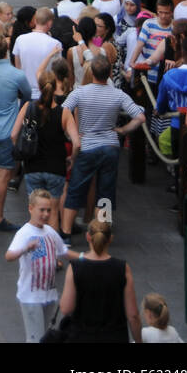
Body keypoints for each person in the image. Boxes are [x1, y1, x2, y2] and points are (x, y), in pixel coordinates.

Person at [60, 56, 146, 238]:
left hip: (87, 146)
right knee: (106, 192)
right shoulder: (118, 94)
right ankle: (102, 232)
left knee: (75, 189)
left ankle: (66, 233)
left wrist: (73, 134)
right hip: (110, 146)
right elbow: (140, 117)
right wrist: (122, 130)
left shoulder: (79, 92)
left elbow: (64, 111)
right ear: (108, 74)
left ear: (91, 73)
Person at [5, 189, 76, 343]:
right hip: (31, 296)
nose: (45, 214)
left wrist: (86, 258)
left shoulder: (49, 231)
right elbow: (9, 256)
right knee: (35, 339)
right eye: (41, 210)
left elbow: (63, 251)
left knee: (45, 337)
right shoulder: (24, 233)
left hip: (48, 294)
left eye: (48, 210)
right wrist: (25, 249)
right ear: (31, 208)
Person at [0, 32, 32, 233]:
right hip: (8, 129)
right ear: (7, 51)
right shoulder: (16, 75)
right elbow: (27, 95)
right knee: (3, 174)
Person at [58, 219, 142, 343]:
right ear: (110, 239)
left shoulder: (75, 267)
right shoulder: (122, 268)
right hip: (115, 336)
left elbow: (66, 308)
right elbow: (133, 315)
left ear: (88, 237)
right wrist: (138, 340)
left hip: (82, 336)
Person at [11, 68, 70, 232]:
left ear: (39, 86)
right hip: (56, 167)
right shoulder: (63, 112)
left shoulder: (29, 107)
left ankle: (36, 250)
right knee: (52, 212)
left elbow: (13, 134)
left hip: (32, 166)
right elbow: (77, 142)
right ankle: (53, 252)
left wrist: (22, 149)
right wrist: (72, 158)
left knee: (37, 212)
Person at [13, 7, 61, 99]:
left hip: (26, 92)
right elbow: (57, 71)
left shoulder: (20, 39)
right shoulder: (56, 44)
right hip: (46, 93)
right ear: (50, 23)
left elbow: (17, 68)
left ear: (35, 20)